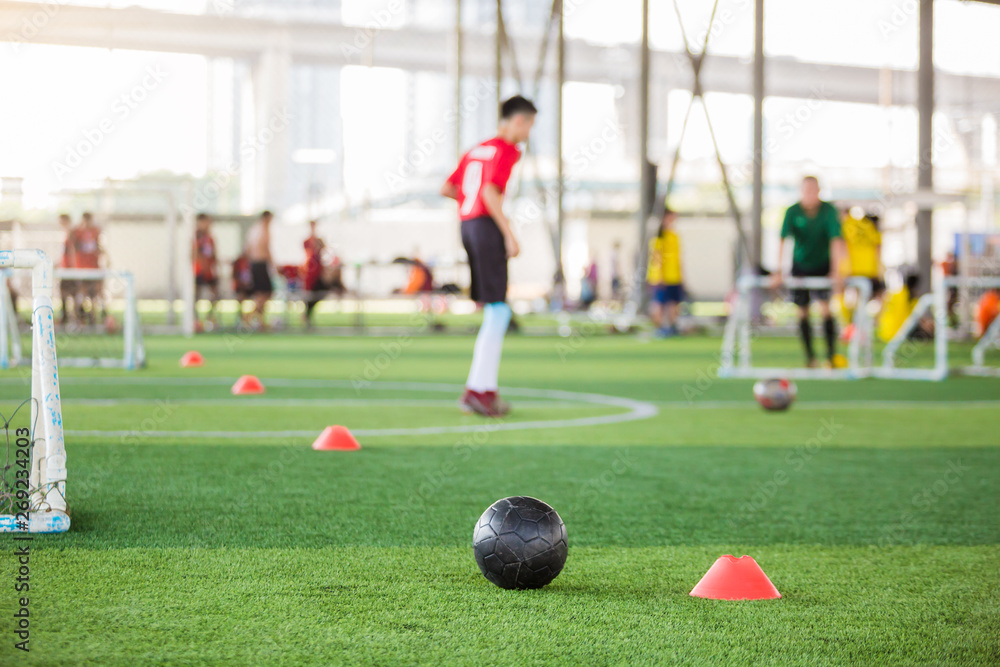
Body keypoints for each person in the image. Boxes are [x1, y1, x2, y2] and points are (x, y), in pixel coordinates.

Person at [441, 95, 536, 417]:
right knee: (498, 311)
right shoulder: (506, 150)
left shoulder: (475, 149)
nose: (528, 134)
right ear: (519, 120)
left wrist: (470, 207)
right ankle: (480, 391)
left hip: (467, 226)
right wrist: (509, 233)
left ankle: (480, 390)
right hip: (485, 225)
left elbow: (449, 188)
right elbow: (489, 191)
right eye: (530, 126)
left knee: (494, 310)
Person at [772, 176, 845, 368]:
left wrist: (837, 271)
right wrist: (778, 271)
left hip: (823, 264)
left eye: (813, 190)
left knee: (825, 309)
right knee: (802, 311)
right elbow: (782, 240)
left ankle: (830, 357)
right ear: (801, 191)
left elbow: (836, 241)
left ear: (819, 191)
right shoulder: (792, 211)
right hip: (800, 266)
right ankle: (810, 358)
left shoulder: (828, 211)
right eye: (806, 190)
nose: (810, 194)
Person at [647, 204, 684, 337]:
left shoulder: (674, 236)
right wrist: (659, 275)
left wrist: (682, 275)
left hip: (675, 277)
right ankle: (659, 328)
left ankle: (672, 327)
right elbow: (656, 259)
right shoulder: (658, 237)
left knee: (674, 303)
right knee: (659, 304)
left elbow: (678, 258)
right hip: (661, 278)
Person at [73, 212, 105, 325]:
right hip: (81, 268)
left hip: (93, 268)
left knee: (95, 294)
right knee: (81, 293)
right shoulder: (77, 232)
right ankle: (79, 319)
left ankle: (94, 318)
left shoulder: (95, 231)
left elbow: (99, 246)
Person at [246, 210, 274, 329]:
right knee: (265, 293)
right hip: (261, 264)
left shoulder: (253, 230)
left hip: (254, 264)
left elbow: (247, 249)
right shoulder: (264, 229)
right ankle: (248, 317)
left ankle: (260, 321)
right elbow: (266, 249)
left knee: (260, 293)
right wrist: (273, 264)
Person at [192, 213, 220, 331]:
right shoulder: (197, 236)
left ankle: (210, 319)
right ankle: (195, 321)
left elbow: (213, 254)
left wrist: (214, 267)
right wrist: (201, 267)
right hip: (199, 271)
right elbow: (195, 253)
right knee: (196, 296)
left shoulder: (210, 237)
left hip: (209, 271)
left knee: (215, 294)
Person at [302, 220, 327, 328]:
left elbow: (323, 249)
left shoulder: (319, 240)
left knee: (319, 293)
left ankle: (307, 316)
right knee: (310, 295)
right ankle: (306, 316)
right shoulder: (308, 241)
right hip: (311, 273)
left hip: (318, 272)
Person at [57, 213, 77, 325]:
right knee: (65, 293)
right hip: (65, 268)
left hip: (69, 269)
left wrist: (73, 266)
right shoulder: (65, 234)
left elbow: (72, 252)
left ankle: (72, 318)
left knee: (70, 293)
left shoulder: (70, 234)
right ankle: (66, 316)